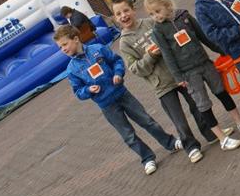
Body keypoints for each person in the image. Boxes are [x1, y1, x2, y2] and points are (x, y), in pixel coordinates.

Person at [112, 0, 226, 164]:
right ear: (115, 18)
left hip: (181, 72)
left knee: (197, 106)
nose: (123, 16)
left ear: (133, 9)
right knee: (178, 119)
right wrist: (150, 55)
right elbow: (135, 69)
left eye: (126, 10)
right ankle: (191, 146)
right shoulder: (124, 42)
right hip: (162, 85)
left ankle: (210, 133)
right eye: (118, 14)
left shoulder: (151, 22)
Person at [56, 25, 180, 175]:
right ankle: (147, 158)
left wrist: (118, 73)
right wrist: (88, 90)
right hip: (107, 106)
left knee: (147, 121)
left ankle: (170, 143)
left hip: (122, 94)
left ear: (76, 39)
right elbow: (78, 92)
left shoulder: (98, 49)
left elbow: (117, 61)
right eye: (60, 47)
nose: (63, 49)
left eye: (64, 44)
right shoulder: (71, 70)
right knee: (128, 135)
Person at [144, 0, 240, 150]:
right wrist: (178, 77)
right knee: (203, 104)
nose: (155, 16)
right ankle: (222, 139)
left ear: (167, 4)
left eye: (157, 11)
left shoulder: (184, 16)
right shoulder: (158, 31)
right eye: (151, 14)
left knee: (222, 92)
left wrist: (221, 51)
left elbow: (203, 36)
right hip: (188, 73)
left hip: (205, 63)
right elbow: (167, 55)